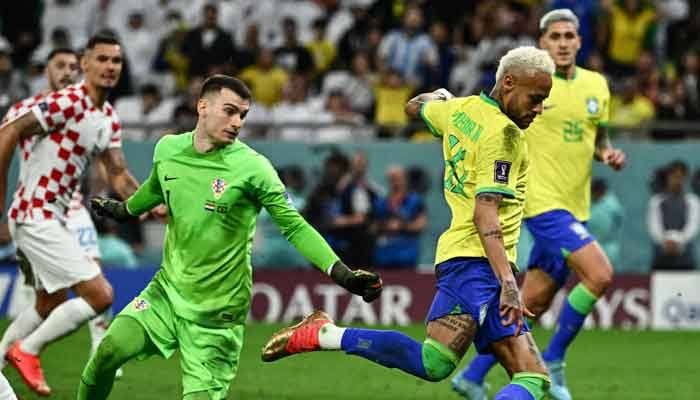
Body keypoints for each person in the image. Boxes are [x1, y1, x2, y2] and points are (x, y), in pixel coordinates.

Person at [261, 46, 554, 400]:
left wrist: (441, 97)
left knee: (533, 378)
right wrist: (508, 283)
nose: (539, 109)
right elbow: (485, 212)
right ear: (508, 82)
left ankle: (325, 334)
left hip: (478, 261)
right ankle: (326, 334)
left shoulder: (459, 110)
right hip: (476, 262)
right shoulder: (505, 136)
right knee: (434, 362)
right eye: (535, 98)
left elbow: (414, 106)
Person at [78, 75, 382, 400]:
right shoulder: (168, 149)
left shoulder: (254, 168)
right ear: (202, 107)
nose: (237, 122)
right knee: (107, 352)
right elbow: (155, 189)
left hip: (218, 313)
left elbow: (295, 227)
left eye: (243, 115)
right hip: (165, 293)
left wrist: (343, 274)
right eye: (230, 111)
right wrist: (122, 210)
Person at [452, 10, 626, 400]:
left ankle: (472, 377)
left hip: (576, 206)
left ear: (579, 41)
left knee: (532, 301)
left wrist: (608, 154)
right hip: (540, 203)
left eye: (569, 36)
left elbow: (598, 138)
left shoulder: (597, 85)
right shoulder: (533, 85)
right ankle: (555, 360)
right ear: (542, 43)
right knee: (599, 274)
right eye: (554, 36)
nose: (562, 43)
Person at [0, 34, 142, 396]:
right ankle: (27, 350)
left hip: (54, 217)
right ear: (86, 64)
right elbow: (8, 132)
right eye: (102, 59)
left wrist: (153, 204)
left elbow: (118, 174)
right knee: (101, 295)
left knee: (49, 303)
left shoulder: (107, 116)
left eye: (116, 61)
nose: (110, 66)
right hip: (35, 215)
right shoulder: (67, 102)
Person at [648, 160, 700, 271]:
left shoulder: (692, 201)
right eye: (674, 177)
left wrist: (678, 241)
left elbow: (693, 227)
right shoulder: (657, 200)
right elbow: (654, 227)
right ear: (667, 178)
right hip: (661, 257)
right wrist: (665, 241)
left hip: (685, 259)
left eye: (681, 177)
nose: (677, 181)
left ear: (685, 179)